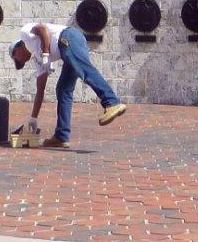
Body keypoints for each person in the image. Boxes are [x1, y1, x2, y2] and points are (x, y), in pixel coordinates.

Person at [9, 19, 128, 147]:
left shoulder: (24, 34)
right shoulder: (37, 60)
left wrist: (46, 53)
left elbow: (42, 30)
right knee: (63, 89)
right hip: (67, 48)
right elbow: (40, 90)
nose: (22, 62)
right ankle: (61, 136)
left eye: (18, 60)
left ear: (16, 50)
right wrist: (34, 118)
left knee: (85, 70)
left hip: (68, 38)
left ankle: (111, 102)